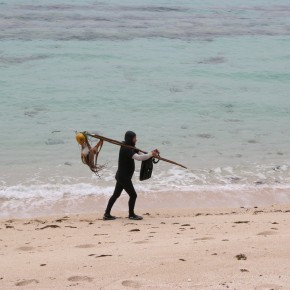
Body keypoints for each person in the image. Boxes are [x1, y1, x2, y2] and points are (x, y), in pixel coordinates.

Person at [103, 131, 159, 220]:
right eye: (134, 138)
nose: (136, 140)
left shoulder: (130, 147)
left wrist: (152, 153)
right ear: (130, 139)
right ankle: (131, 215)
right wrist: (150, 154)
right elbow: (138, 158)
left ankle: (107, 214)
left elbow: (142, 154)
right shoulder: (126, 149)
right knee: (133, 195)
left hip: (122, 176)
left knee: (116, 195)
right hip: (124, 177)